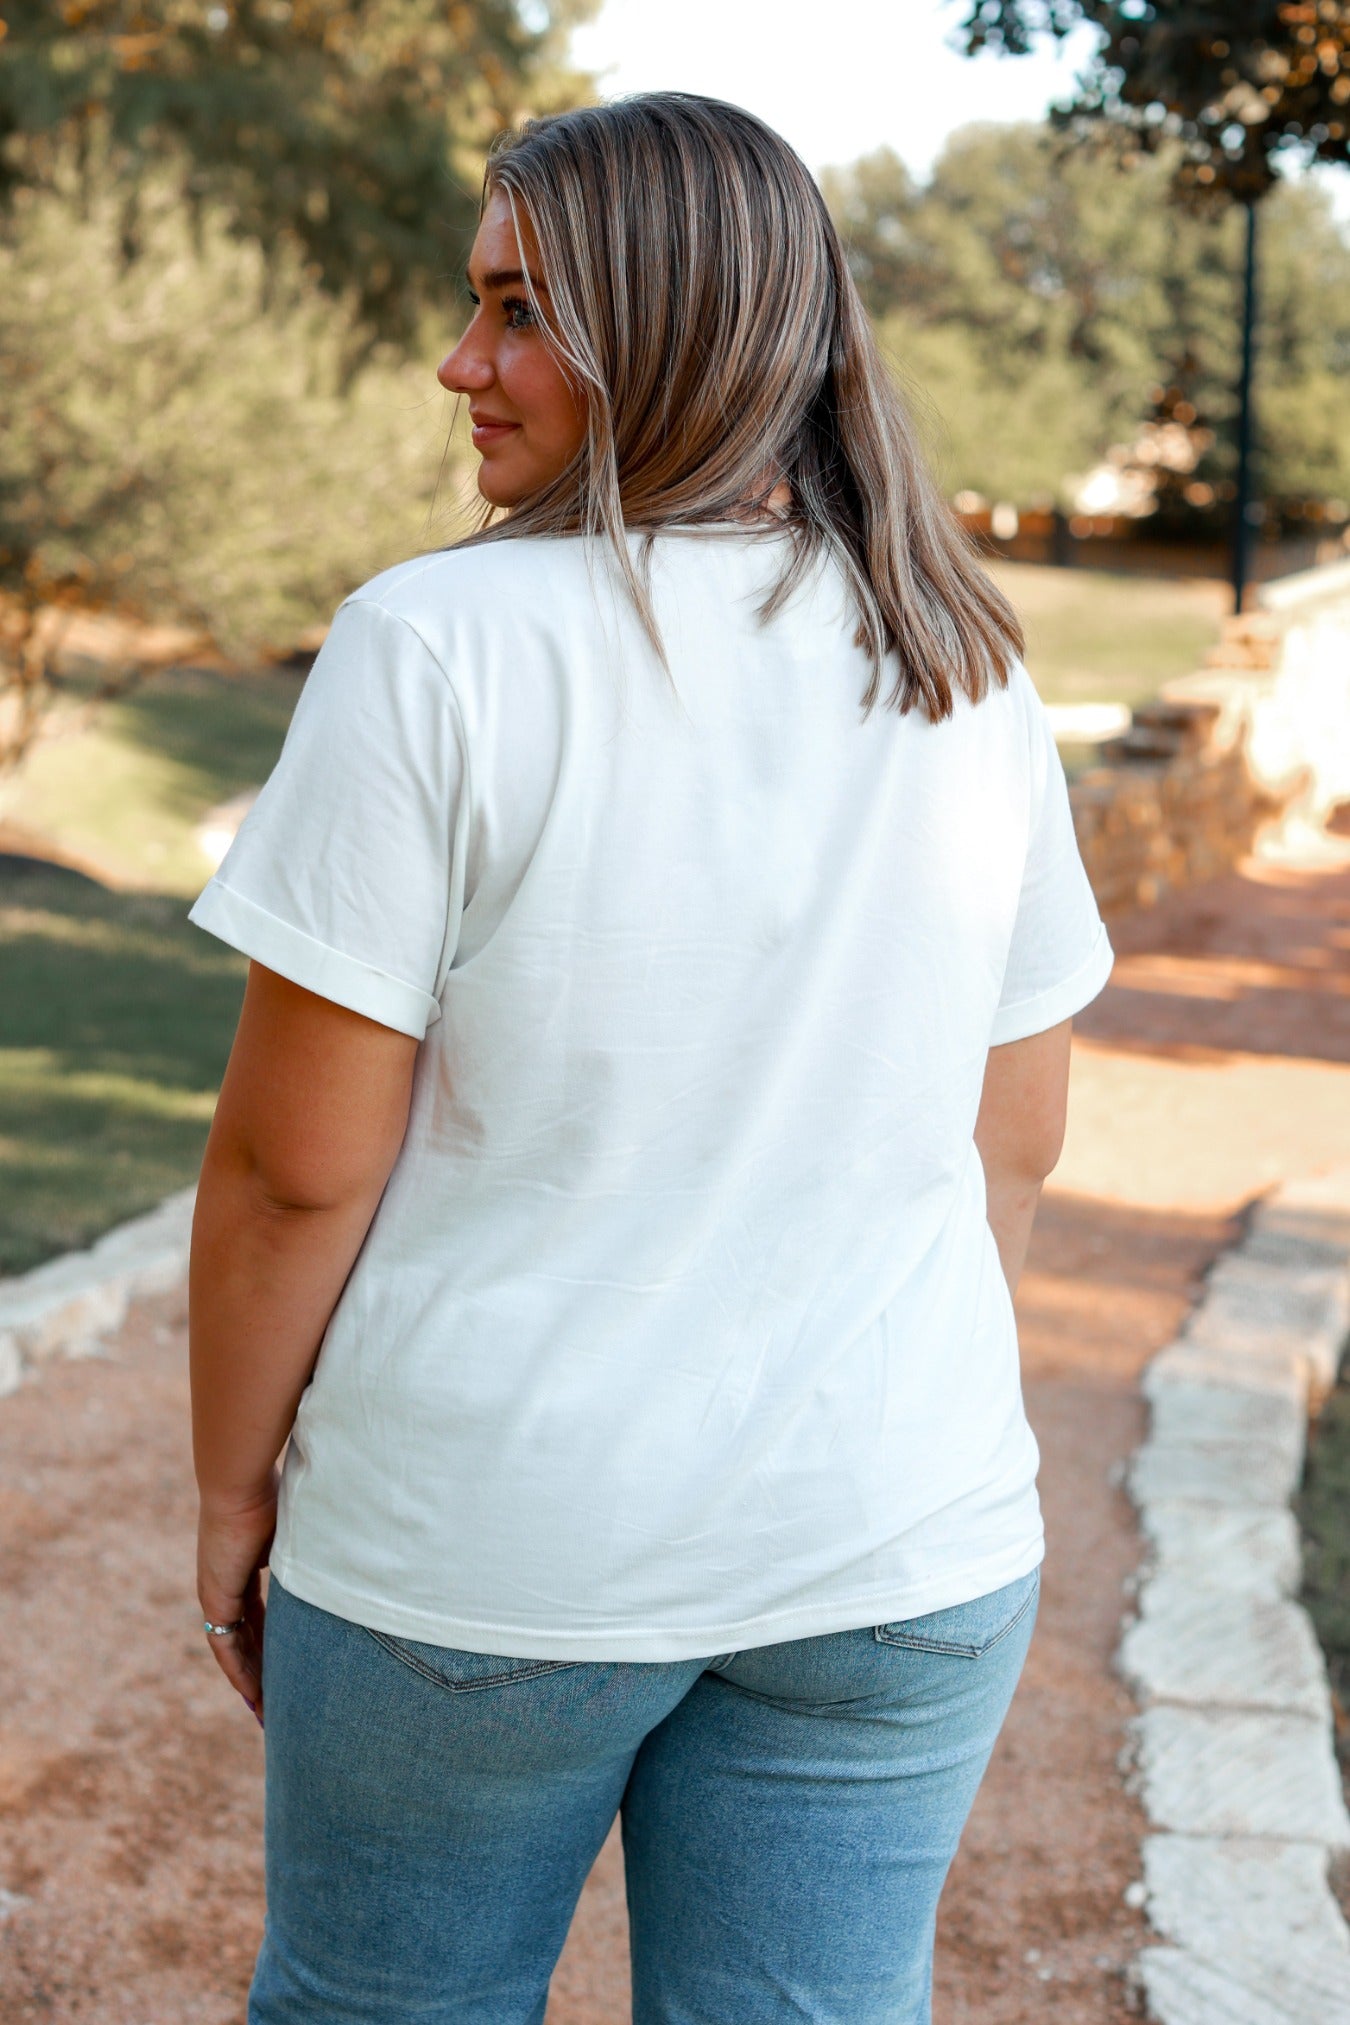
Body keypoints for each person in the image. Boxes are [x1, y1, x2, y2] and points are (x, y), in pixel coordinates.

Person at [188, 91, 1112, 2025]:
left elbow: (293, 1171)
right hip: (897, 1544)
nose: (461, 362)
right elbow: (1013, 1139)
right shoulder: (964, 660)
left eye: (519, 310)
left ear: (672, 327)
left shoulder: (435, 645)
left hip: (485, 1545)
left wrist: (229, 1496)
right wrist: (865, 1426)